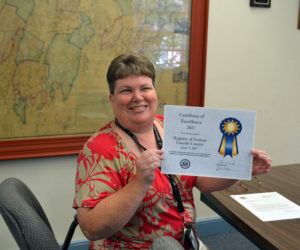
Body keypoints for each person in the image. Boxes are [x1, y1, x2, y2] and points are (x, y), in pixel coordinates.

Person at [73, 53, 272, 249]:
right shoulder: (99, 148)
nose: (138, 97)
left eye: (145, 88)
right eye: (126, 90)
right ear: (112, 98)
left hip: (183, 242)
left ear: (154, 92)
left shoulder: (173, 127)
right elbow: (92, 228)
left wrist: (238, 167)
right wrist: (140, 182)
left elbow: (201, 181)